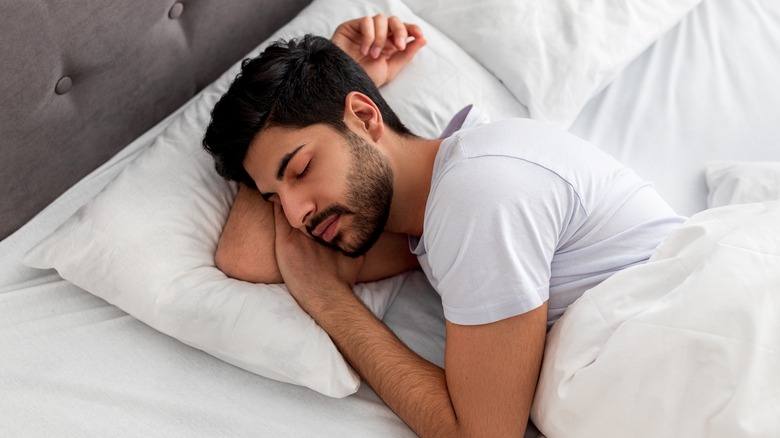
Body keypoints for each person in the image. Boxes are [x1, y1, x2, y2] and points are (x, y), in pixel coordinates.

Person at [202, 15, 685, 437]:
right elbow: (245, 257)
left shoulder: (477, 191)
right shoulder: (427, 223)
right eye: (273, 198)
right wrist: (318, 89)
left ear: (366, 117)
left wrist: (331, 303)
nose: (293, 215)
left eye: (302, 168)